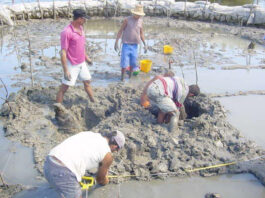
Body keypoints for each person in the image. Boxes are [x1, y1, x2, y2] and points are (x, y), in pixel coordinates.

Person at [43, 130, 125, 198]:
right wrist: (106, 180)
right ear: (115, 146)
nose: (116, 151)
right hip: (63, 171)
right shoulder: (108, 155)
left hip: (48, 163)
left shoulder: (90, 134)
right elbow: (100, 180)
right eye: (118, 149)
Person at [56, 9, 95, 103]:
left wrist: (86, 58)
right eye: (85, 19)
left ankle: (93, 101)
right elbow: (63, 52)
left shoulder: (81, 28)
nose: (86, 21)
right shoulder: (66, 32)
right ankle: (57, 108)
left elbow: (81, 45)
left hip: (82, 62)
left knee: (87, 81)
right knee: (64, 87)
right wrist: (66, 71)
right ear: (80, 19)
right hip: (72, 63)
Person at [114, 4, 147, 81]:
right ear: (134, 13)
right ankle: (122, 78)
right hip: (126, 44)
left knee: (133, 63)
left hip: (135, 45)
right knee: (124, 63)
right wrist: (116, 42)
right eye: (137, 14)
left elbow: (141, 33)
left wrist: (145, 44)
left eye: (139, 15)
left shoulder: (140, 21)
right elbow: (120, 30)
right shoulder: (127, 20)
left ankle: (130, 77)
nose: (138, 16)